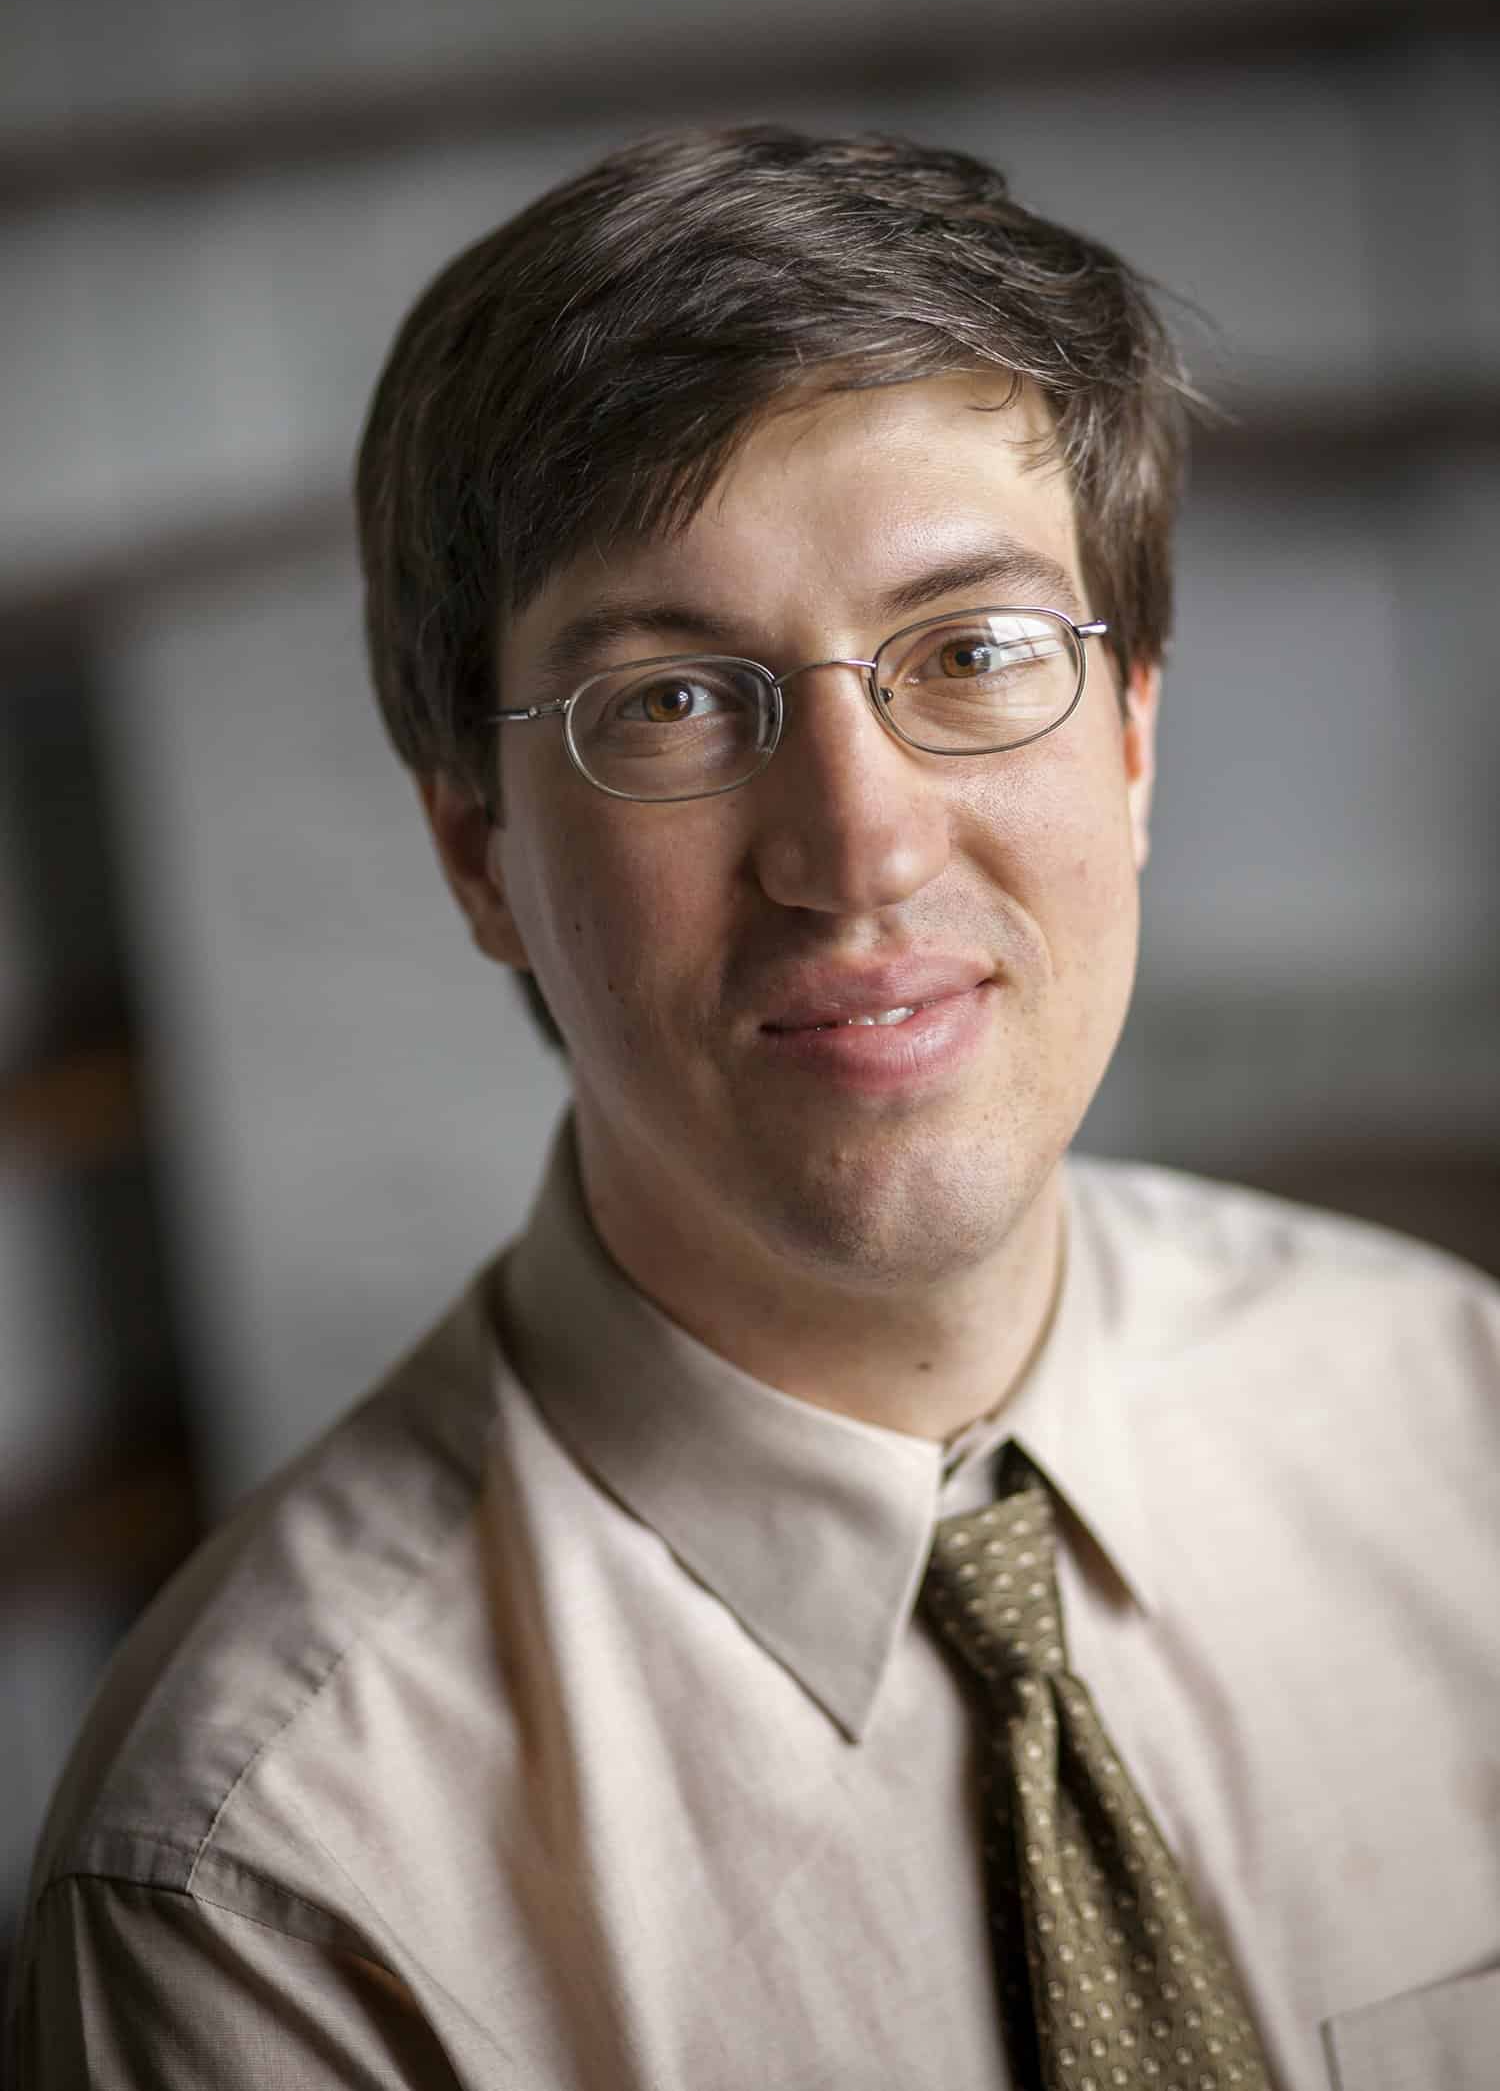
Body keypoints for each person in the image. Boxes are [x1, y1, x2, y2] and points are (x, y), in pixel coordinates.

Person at [8, 126, 1498, 2091]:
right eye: (676, 701)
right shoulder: (265, 1879)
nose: (860, 849)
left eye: (973, 652)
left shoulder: (1457, 1425)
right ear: (475, 850)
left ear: (1134, 736)